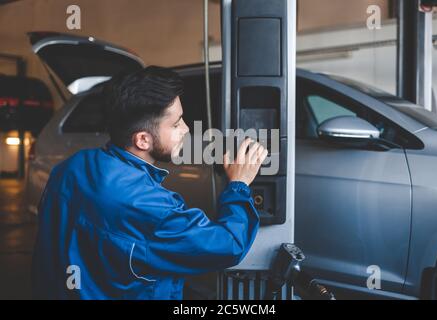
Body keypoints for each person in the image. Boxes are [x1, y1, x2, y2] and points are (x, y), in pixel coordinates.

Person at [32, 65, 268, 299]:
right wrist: (239, 184)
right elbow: (228, 245)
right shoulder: (151, 208)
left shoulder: (70, 167)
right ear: (143, 140)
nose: (186, 129)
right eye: (176, 124)